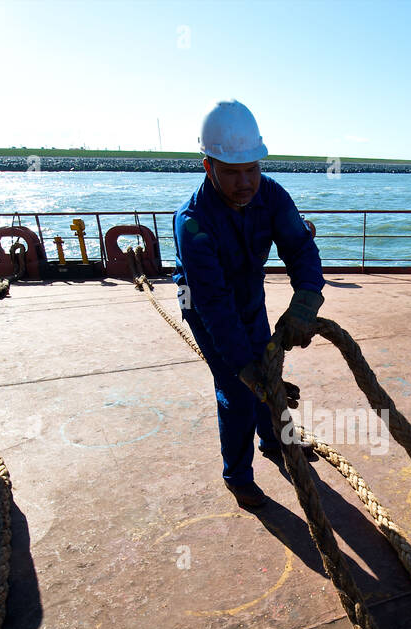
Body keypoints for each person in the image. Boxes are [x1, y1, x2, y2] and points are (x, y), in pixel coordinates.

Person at [172, 100, 324, 509]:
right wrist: (246, 368)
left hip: (249, 295)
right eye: (232, 172)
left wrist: (306, 301)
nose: (245, 183)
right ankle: (237, 475)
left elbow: (300, 250)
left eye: (252, 169)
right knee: (239, 388)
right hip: (205, 304)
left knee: (269, 368)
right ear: (208, 167)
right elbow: (216, 306)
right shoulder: (193, 223)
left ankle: (274, 440)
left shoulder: (271, 195)